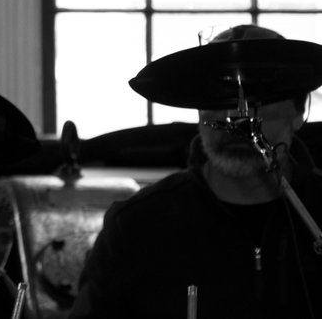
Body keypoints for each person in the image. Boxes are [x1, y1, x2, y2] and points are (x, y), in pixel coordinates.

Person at [70, 25, 322, 319]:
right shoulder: (137, 227)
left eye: (259, 96)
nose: (236, 116)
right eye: (217, 96)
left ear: (298, 111)